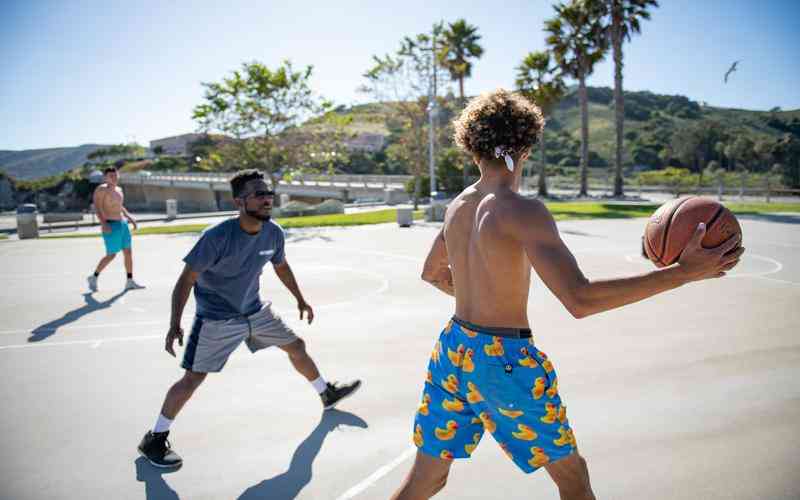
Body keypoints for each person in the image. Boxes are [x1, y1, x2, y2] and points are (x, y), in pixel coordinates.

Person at [391, 89, 744, 500]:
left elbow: (432, 272)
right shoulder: (522, 211)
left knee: (426, 479)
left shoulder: (459, 205)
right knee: (573, 478)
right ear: (526, 146)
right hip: (503, 362)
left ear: (472, 148)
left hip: (454, 348)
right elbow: (580, 300)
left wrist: (479, 296)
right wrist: (682, 274)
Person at [137, 169, 361, 468]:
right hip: (217, 319)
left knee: (296, 345)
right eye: (259, 194)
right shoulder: (216, 237)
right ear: (239, 202)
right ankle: (154, 438)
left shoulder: (273, 232)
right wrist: (174, 323)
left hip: (255, 311)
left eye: (268, 193)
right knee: (193, 379)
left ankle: (326, 393)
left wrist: (300, 298)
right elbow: (186, 280)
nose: (267, 198)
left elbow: (281, 267)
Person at [86, 162, 144, 291]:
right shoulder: (101, 189)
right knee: (111, 255)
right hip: (110, 225)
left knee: (128, 252)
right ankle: (94, 277)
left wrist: (129, 217)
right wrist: (104, 224)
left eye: (115, 175)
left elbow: (120, 206)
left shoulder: (119, 190)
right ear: (105, 178)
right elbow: (98, 207)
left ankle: (129, 281)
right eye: (110, 175)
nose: (113, 177)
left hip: (122, 224)